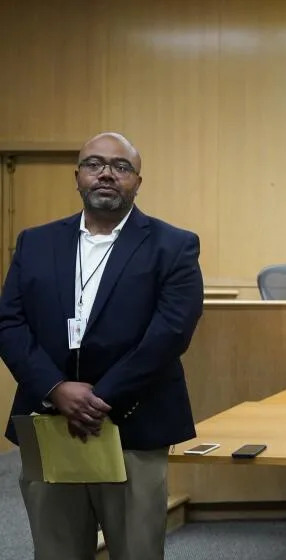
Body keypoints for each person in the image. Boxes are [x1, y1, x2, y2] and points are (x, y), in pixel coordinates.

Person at [0, 132, 204, 560]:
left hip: (133, 424)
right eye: (94, 164)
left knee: (136, 550)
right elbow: (9, 323)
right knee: (56, 550)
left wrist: (100, 398)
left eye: (121, 167)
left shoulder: (174, 245)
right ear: (77, 177)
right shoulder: (35, 242)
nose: (107, 174)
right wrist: (56, 388)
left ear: (138, 181)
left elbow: (170, 332)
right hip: (47, 421)